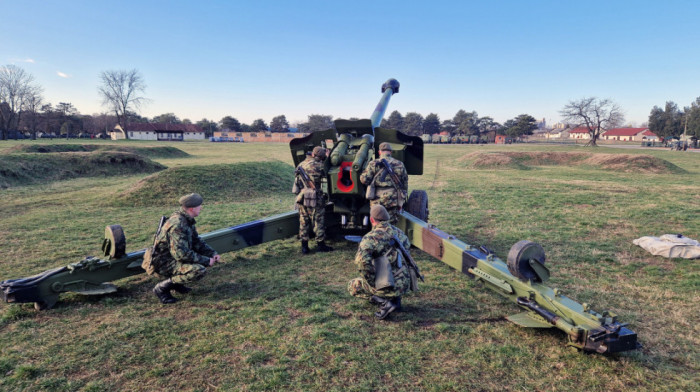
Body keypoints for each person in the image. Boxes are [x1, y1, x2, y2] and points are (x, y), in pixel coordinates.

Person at [147, 193, 221, 304]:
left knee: (198, 261)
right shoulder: (178, 224)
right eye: (199, 206)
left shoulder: (186, 219)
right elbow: (181, 254)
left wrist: (212, 253)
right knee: (198, 270)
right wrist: (206, 260)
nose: (201, 208)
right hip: (163, 262)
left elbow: (196, 241)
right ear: (191, 209)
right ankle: (161, 289)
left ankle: (177, 285)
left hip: (171, 257)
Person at [348, 205, 413, 320]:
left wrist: (371, 281)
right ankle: (395, 300)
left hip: (387, 284)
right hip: (404, 284)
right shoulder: (400, 233)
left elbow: (362, 262)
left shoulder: (370, 237)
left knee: (353, 286)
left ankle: (385, 303)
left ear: (372, 219)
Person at [294, 146, 333, 254]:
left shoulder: (301, 164)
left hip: (303, 196)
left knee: (303, 220)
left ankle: (304, 247)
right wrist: (328, 159)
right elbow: (328, 174)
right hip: (316, 197)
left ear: (312, 154)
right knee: (318, 221)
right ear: (322, 156)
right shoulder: (320, 166)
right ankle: (320, 245)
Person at [360, 142, 408, 225]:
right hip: (392, 199)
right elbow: (404, 184)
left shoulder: (372, 164)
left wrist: (362, 174)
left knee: (376, 224)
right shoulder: (400, 164)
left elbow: (364, 180)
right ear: (391, 152)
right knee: (391, 225)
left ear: (379, 152)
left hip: (376, 199)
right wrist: (401, 200)